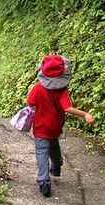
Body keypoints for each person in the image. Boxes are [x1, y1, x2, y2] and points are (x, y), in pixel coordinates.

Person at [26, 54, 96, 197]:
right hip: (55, 126)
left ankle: (44, 182)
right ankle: (57, 166)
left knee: (42, 153)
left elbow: (30, 102)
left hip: (40, 126)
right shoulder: (62, 90)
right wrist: (85, 114)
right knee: (54, 146)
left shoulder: (37, 88)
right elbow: (67, 108)